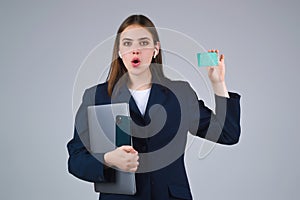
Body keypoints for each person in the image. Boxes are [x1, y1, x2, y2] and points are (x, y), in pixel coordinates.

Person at [67, 14, 241, 200]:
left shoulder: (180, 93)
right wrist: (108, 159)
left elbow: (227, 134)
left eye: (143, 43)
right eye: (127, 44)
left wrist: (218, 83)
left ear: (155, 49)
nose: (135, 51)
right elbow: (76, 159)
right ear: (119, 51)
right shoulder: (97, 97)